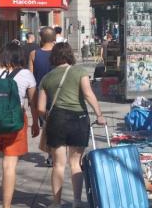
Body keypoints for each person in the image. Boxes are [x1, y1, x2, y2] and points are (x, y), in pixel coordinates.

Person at [37, 43, 106, 208]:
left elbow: (40, 108)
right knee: (75, 163)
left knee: (58, 164)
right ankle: (76, 201)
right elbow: (88, 94)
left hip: (57, 120)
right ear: (70, 55)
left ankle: (56, 202)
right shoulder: (80, 71)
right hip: (78, 119)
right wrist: (99, 114)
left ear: (53, 57)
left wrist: (47, 118)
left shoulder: (47, 78)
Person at [0, 42, 39, 208]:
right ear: (20, 57)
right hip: (15, 122)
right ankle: (7, 205)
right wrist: (35, 123)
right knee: (9, 165)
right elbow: (33, 102)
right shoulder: (26, 74)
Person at [29, 27, 57, 166]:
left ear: (40, 38)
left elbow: (30, 76)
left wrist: (31, 98)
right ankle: (53, 153)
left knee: (46, 124)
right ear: (54, 39)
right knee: (54, 124)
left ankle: (52, 153)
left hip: (40, 94)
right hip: (57, 93)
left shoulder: (34, 54)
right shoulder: (58, 54)